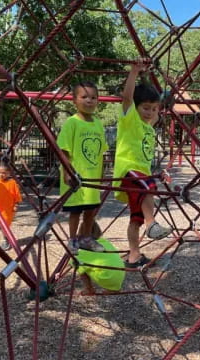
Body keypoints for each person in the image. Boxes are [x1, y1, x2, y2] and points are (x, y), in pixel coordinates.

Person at [113, 60, 171, 268]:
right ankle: (152, 223)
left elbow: (159, 109)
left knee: (134, 218)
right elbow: (127, 97)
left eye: (153, 109)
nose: (149, 112)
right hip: (128, 170)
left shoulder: (149, 127)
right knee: (149, 187)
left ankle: (134, 256)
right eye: (145, 108)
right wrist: (134, 72)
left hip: (140, 174)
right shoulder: (130, 120)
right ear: (136, 107)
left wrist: (162, 96)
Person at [57, 81, 108, 254]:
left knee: (90, 210)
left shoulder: (98, 124)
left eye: (93, 97)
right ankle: (72, 240)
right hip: (76, 176)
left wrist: (101, 174)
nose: (89, 101)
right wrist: (67, 172)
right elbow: (63, 149)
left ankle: (86, 238)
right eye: (84, 97)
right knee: (76, 211)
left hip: (92, 176)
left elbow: (101, 151)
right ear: (74, 101)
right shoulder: (72, 123)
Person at [74, 224, 125, 294]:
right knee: (92, 263)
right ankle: (114, 288)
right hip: (120, 276)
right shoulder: (106, 242)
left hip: (108, 278)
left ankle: (88, 289)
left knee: (79, 265)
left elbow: (73, 261)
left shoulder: (85, 249)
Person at [0, 163, 23, 251]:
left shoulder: (12, 183)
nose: (1, 175)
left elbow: (17, 195)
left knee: (4, 224)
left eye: (4, 173)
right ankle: (7, 238)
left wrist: (16, 204)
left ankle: (6, 240)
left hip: (8, 209)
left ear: (8, 173)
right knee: (2, 224)